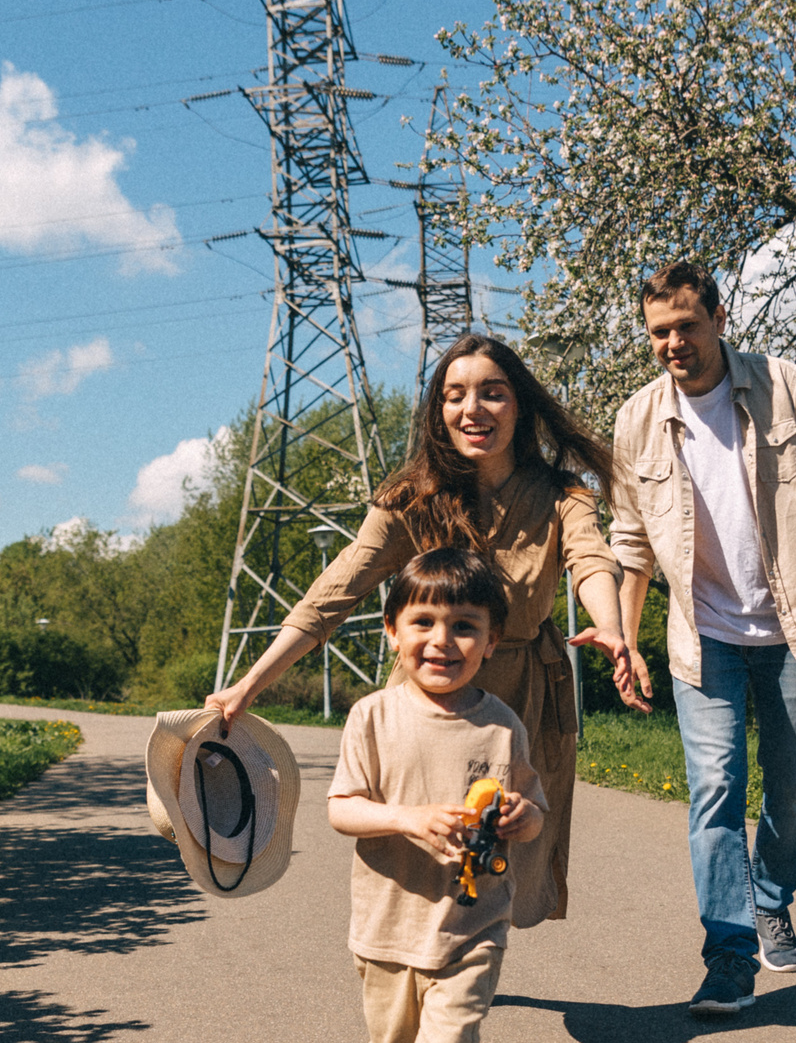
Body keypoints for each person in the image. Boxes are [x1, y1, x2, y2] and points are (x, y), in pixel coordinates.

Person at [207, 334, 634, 929]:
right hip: (427, 695)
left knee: (507, 845)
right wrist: (248, 685)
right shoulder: (411, 499)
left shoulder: (562, 494)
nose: (473, 410)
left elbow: (592, 559)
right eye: (455, 396)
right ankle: (425, 965)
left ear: (520, 405)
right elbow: (333, 592)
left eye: (493, 393)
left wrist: (610, 626)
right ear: (438, 411)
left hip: (525, 692)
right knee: (421, 839)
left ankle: (465, 961)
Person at [608, 262, 796, 1019]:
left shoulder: (785, 385)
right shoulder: (637, 419)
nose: (673, 344)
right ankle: (728, 956)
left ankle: (769, 898)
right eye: (659, 332)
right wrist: (625, 641)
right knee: (715, 787)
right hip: (705, 634)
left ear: (720, 317)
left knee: (793, 787)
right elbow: (629, 541)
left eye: (686, 326)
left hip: (793, 624)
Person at [327, 546, 546, 1043]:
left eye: (464, 626)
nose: (441, 641)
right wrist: (406, 818)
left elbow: (533, 804)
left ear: (489, 641)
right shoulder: (373, 715)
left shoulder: (501, 725)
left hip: (471, 925)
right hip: (387, 925)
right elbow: (342, 809)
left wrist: (522, 816)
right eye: (423, 620)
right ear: (392, 629)